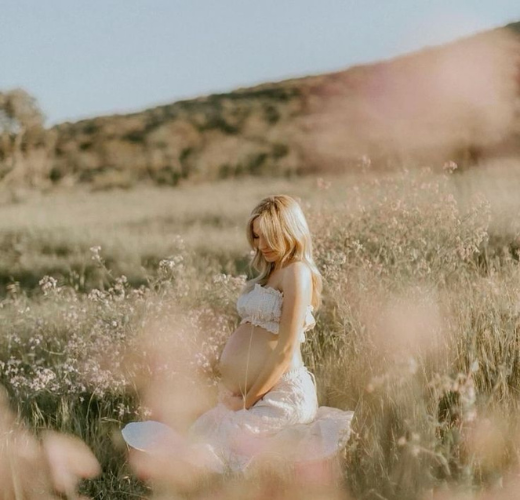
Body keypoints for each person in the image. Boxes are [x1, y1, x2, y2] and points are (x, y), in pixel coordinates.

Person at [122, 195, 354, 475]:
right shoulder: (270, 274)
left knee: (217, 450)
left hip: (282, 392)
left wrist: (247, 400)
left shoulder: (297, 272)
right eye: (256, 237)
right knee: (197, 439)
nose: (261, 245)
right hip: (252, 391)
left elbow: (286, 349)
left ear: (289, 231)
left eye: (269, 236)